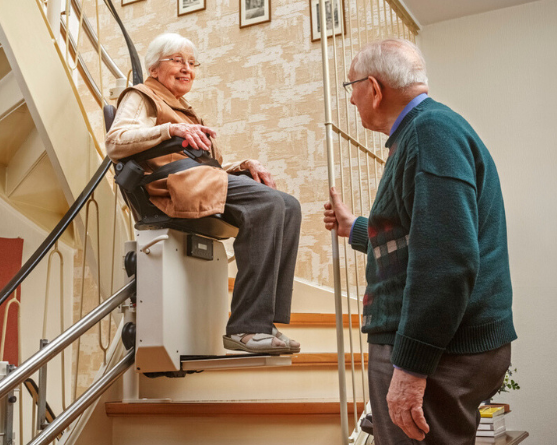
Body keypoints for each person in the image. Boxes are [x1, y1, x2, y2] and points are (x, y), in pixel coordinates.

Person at [323, 39, 516, 444]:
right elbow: (422, 236)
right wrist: (354, 227)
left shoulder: (429, 134)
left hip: (439, 349)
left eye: (351, 86)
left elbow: (446, 261)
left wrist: (410, 368)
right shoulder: (427, 131)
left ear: (374, 89)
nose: (352, 98)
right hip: (444, 343)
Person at [106, 33, 301, 355]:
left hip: (198, 177)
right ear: (154, 68)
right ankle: (246, 328)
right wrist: (169, 129)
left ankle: (264, 323)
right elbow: (116, 141)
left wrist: (244, 164)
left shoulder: (183, 108)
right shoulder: (141, 95)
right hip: (170, 184)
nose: (187, 69)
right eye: (177, 60)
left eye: (192, 63)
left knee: (288, 205)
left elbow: (209, 164)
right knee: (268, 203)